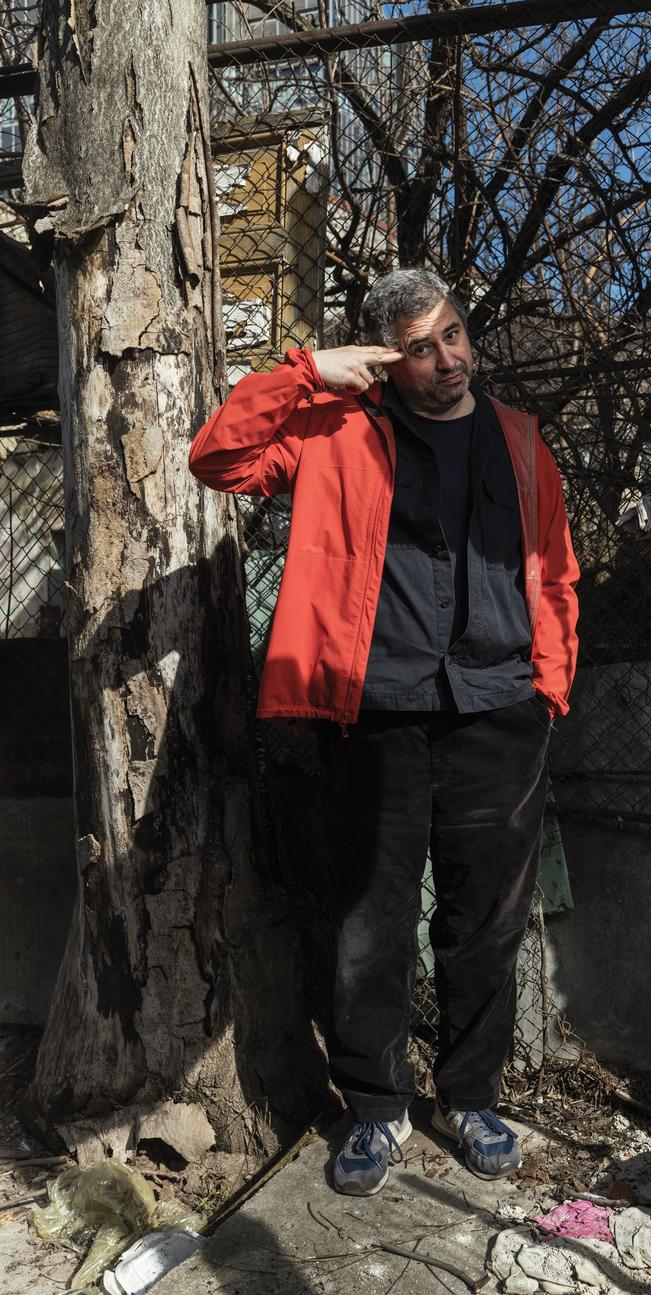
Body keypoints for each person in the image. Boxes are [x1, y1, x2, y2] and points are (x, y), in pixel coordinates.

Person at [189, 268, 580, 1196]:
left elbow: (558, 568)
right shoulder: (334, 431)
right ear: (384, 359)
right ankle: (375, 1106)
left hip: (499, 710)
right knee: (371, 918)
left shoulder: (520, 440)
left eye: (453, 335)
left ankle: (471, 1098)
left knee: (485, 918)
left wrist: (550, 686)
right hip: (375, 711)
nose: (446, 358)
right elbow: (217, 459)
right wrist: (305, 372)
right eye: (419, 348)